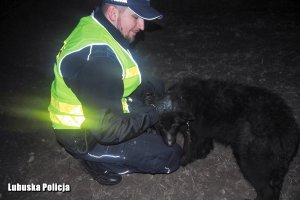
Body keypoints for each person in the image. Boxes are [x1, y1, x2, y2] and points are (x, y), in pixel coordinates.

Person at [48, 0, 182, 185]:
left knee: (154, 85)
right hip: (84, 134)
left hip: (99, 106)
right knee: (170, 156)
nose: (142, 26)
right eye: (136, 17)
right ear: (113, 13)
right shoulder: (97, 60)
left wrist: (147, 98)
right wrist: (155, 110)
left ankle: (141, 127)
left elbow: (121, 78)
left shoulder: (98, 26)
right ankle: (98, 161)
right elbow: (109, 130)